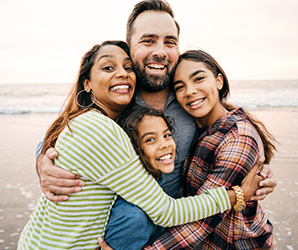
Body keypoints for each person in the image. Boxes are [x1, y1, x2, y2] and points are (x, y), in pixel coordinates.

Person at [17, 40, 257, 250]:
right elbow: (167, 211)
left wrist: (250, 145)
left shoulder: (93, 120)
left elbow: (220, 123)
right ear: (87, 83)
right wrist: (238, 194)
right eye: (108, 67)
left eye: (127, 67)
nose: (122, 73)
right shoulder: (101, 129)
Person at [143, 50, 277, 249]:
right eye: (180, 87)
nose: (190, 91)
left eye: (198, 79)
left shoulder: (239, 138)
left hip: (238, 244)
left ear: (219, 81)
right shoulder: (193, 128)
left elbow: (203, 219)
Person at [103, 106, 264, 250]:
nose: (165, 144)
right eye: (150, 139)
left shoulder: (156, 190)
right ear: (131, 149)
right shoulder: (133, 218)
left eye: (167, 135)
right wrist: (240, 194)